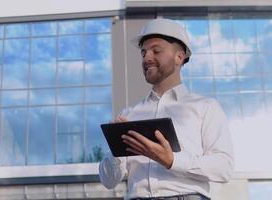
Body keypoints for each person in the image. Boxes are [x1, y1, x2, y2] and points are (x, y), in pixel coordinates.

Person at [99, 18, 234, 200]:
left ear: (180, 56)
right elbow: (108, 181)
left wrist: (172, 160)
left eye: (156, 50)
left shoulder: (205, 107)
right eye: (144, 52)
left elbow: (223, 167)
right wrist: (116, 150)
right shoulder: (128, 115)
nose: (147, 57)